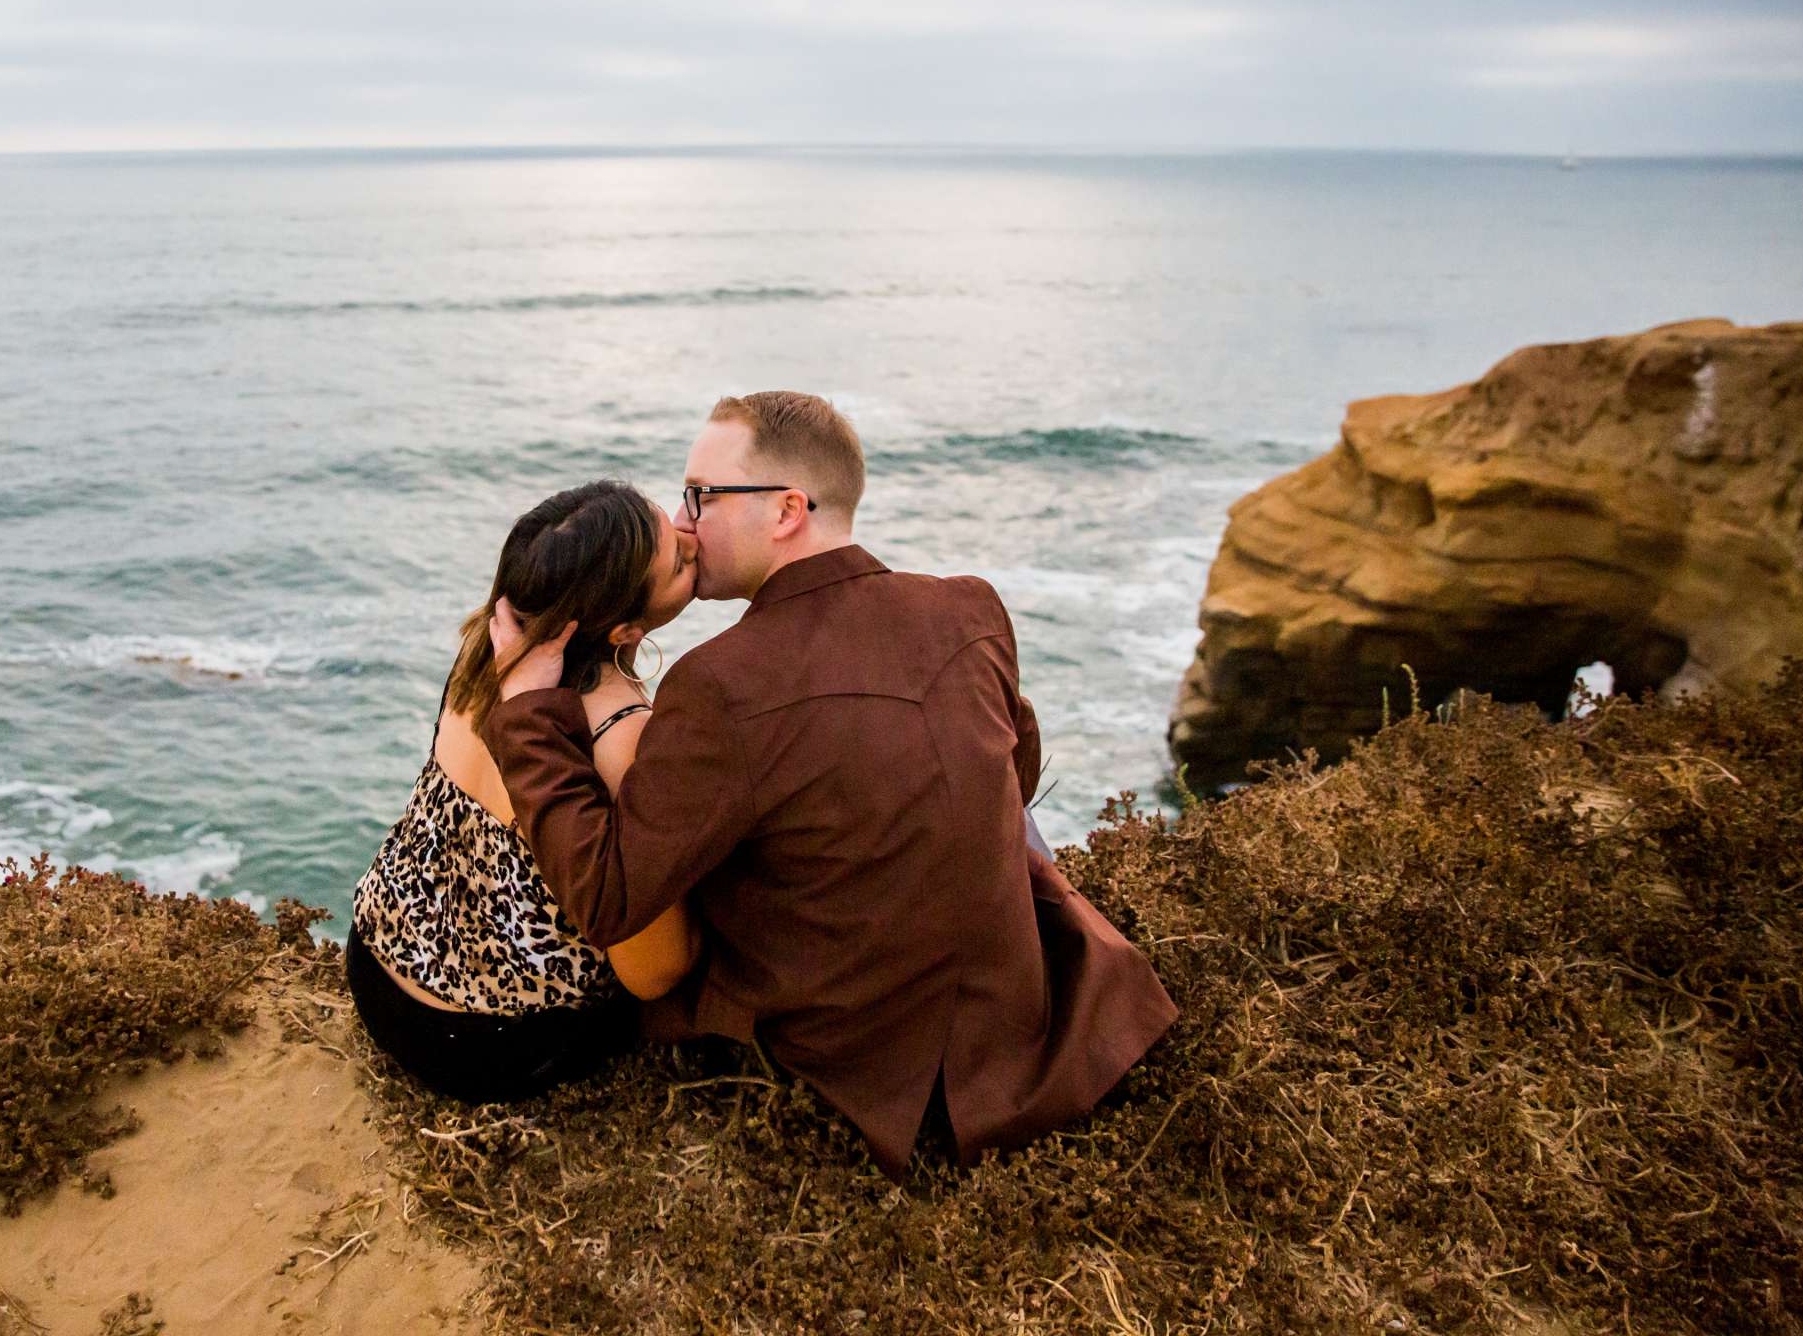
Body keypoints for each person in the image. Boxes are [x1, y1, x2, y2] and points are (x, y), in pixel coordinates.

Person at [485, 391, 1179, 1175]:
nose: (683, 523)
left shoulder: (718, 684)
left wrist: (529, 716)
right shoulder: (968, 608)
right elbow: (1013, 774)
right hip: (1026, 1018)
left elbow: (610, 897)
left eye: (700, 497)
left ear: (787, 510)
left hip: (880, 1079)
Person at [347, 480, 703, 1103]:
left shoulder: (484, 650)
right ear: (621, 631)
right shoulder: (622, 734)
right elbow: (653, 971)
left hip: (377, 964)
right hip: (487, 1040)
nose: (694, 541)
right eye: (678, 558)